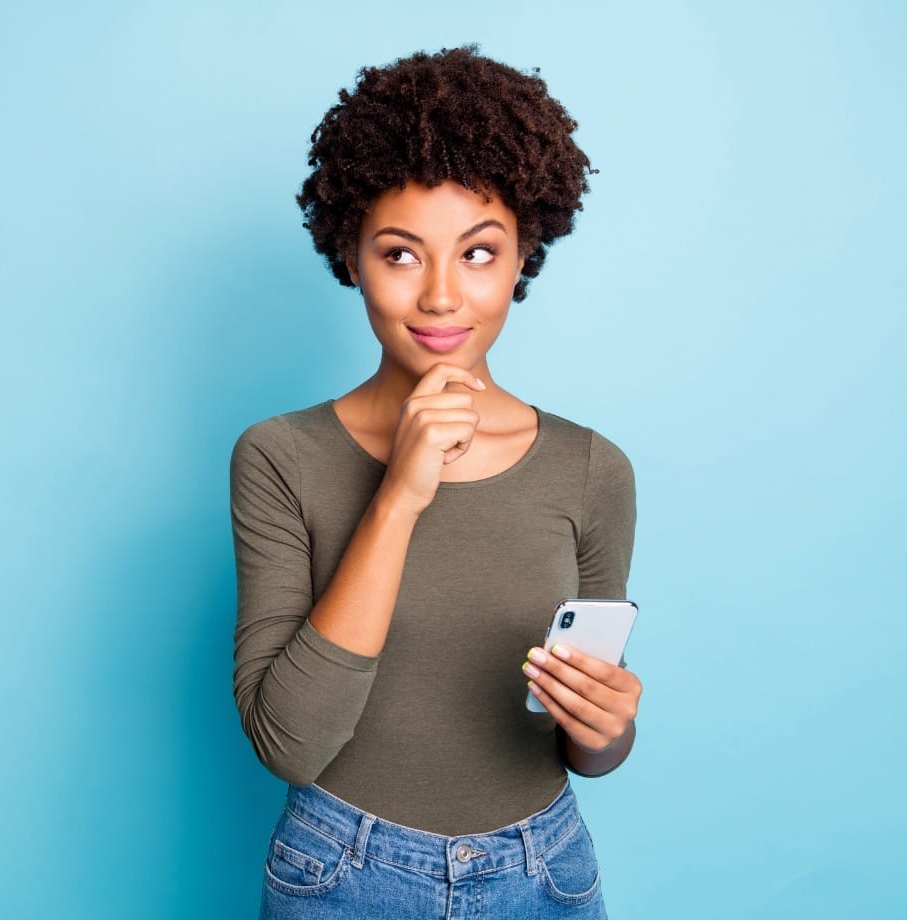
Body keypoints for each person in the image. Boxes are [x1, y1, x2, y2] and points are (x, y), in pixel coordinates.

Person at [229, 45, 640, 919]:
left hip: (545, 873)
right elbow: (290, 744)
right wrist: (399, 495)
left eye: (479, 253)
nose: (443, 297)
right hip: (341, 874)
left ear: (525, 250)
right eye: (402, 254)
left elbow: (586, 747)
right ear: (350, 253)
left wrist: (608, 730)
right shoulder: (279, 456)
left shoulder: (591, 468)